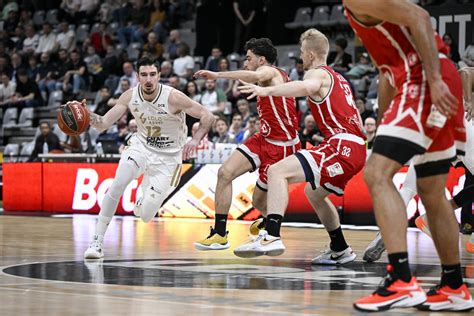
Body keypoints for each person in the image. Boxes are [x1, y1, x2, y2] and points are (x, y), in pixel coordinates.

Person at [343, 0, 471, 312]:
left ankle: (400, 278)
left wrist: (434, 78)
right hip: (433, 78)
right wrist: (388, 116)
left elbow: (420, 15)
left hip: (425, 80)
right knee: (431, 191)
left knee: (376, 173)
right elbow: (387, 71)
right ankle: (454, 285)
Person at [234, 29, 366, 265]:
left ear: (312, 54)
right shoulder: (341, 80)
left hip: (340, 145)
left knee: (277, 171)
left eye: (303, 53)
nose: (301, 58)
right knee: (314, 194)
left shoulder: (317, 73)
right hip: (356, 149)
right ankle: (340, 248)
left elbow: (306, 88)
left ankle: (271, 235)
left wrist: (267, 90)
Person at [83, 57, 215, 259]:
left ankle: (145, 193)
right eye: (144, 75)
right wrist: (85, 114)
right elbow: (102, 124)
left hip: (169, 158)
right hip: (141, 146)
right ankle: (97, 242)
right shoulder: (129, 96)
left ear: (159, 76)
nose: (148, 79)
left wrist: (195, 140)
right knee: (117, 185)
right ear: (137, 77)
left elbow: (208, 116)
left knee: (145, 215)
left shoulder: (174, 97)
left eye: (153, 74)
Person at [193, 38, 300, 250]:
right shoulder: (265, 78)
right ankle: (220, 234)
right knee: (225, 173)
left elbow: (254, 75)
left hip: (282, 147)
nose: (245, 63)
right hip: (263, 139)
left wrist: (217, 75)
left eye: (248, 58)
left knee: (259, 202)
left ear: (261, 60)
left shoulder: (271, 72)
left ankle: (271, 227)